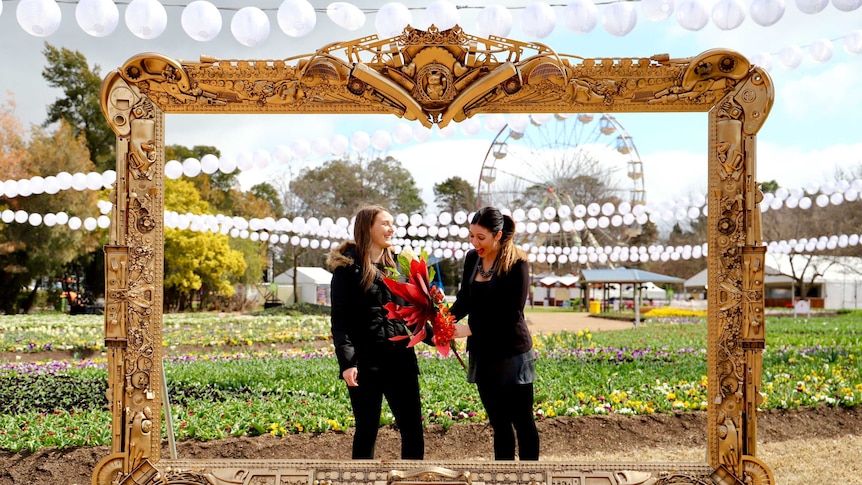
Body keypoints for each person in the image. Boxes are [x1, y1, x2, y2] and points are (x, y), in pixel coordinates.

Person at [327, 205, 426, 460]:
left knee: (413, 428)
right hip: (365, 363)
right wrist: (348, 363)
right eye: (385, 223)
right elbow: (340, 321)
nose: (391, 229)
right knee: (367, 429)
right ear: (367, 227)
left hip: (401, 359)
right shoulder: (347, 269)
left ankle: (411, 479)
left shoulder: (397, 266)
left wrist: (438, 332)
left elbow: (410, 312)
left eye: (392, 223)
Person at [450, 206, 539, 461]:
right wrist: (443, 321)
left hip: (512, 352)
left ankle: (530, 478)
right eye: (471, 236)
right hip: (483, 353)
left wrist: (470, 329)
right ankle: (504, 476)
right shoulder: (472, 259)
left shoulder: (517, 262)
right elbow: (464, 300)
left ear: (498, 235)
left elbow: (512, 313)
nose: (475, 242)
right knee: (499, 423)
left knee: (523, 421)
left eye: (481, 237)